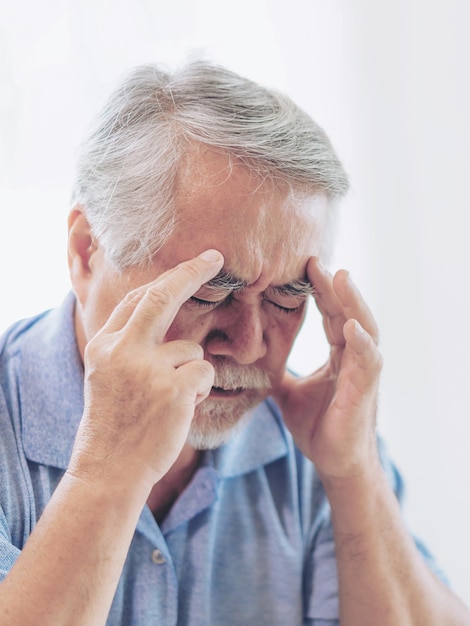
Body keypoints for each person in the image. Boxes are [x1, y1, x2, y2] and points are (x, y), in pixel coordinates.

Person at [0, 61, 468, 626]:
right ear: (87, 253)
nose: (248, 347)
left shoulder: (311, 440)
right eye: (207, 292)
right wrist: (105, 475)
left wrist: (353, 474)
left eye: (287, 299)